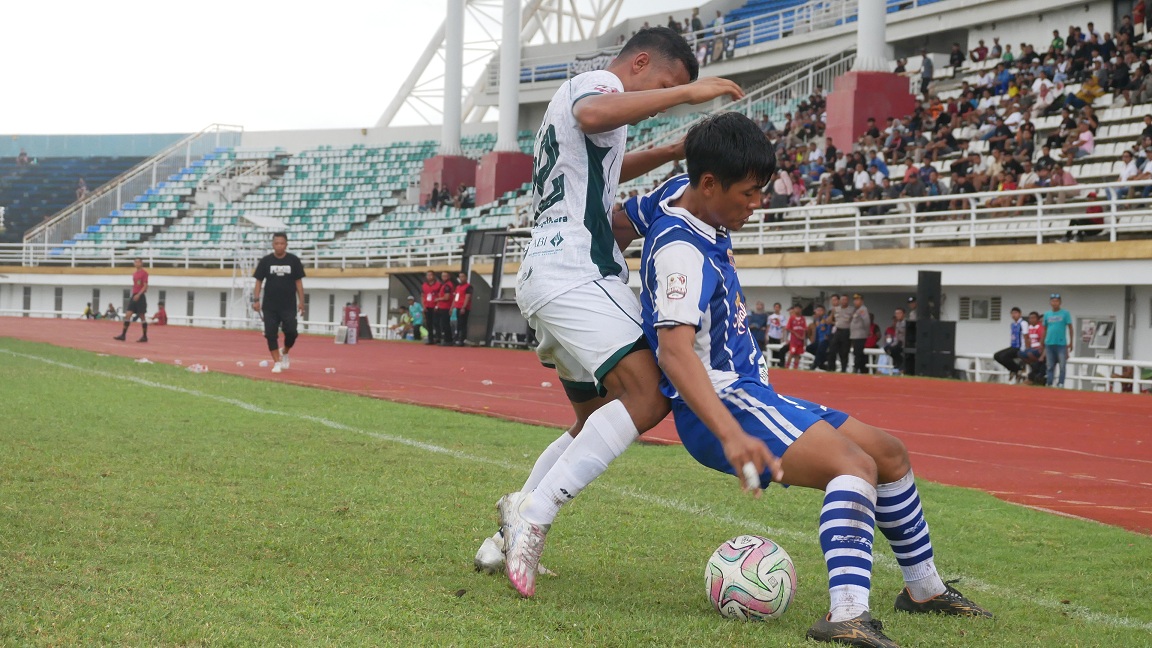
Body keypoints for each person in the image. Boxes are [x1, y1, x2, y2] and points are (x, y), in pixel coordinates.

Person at [635, 113, 990, 647]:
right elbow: (675, 351)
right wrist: (732, 435)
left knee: (890, 453)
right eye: (749, 192)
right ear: (709, 184)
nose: (757, 203)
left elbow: (620, 215)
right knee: (855, 466)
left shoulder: (679, 202)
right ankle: (847, 613)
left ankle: (923, 588)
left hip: (751, 393)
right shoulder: (681, 249)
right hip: (725, 401)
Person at [482, 27, 743, 598]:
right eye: (665, 82)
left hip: (551, 276)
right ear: (642, 62)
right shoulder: (597, 84)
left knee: (590, 421)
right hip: (577, 274)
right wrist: (686, 96)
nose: (663, 96)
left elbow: (603, 168)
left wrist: (673, 151)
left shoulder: (589, 114)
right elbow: (599, 111)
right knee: (648, 395)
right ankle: (535, 515)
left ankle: (506, 531)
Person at [252, 232, 305, 374]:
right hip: (270, 306)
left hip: (288, 305)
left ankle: (285, 351)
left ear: (286, 244)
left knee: (292, 332)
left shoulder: (294, 261)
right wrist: (256, 300)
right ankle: (277, 362)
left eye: (282, 243)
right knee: (270, 334)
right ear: (273, 245)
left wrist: (302, 302)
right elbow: (258, 281)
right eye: (277, 243)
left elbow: (298, 282)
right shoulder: (266, 261)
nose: (279, 246)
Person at [113, 258, 149, 343]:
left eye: (138, 262)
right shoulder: (134, 274)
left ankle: (144, 336)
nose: (136, 263)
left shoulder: (144, 273)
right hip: (134, 295)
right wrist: (135, 294)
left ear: (141, 263)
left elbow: (145, 286)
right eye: (135, 262)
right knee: (128, 314)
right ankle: (123, 335)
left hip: (140, 296)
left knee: (142, 316)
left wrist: (139, 294)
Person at [1043, 293, 1074, 388]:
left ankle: (1061, 383)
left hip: (1061, 344)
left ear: (1060, 302)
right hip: (1049, 343)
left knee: (1062, 365)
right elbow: (1045, 329)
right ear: (1050, 302)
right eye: (1052, 301)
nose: (1054, 303)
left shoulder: (1065, 314)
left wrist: (1071, 342)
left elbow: (1070, 328)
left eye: (1056, 301)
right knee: (1050, 365)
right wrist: (1042, 343)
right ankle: (1049, 382)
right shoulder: (1047, 314)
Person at [992, 307, 1028, 382]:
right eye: (1012, 313)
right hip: (1013, 346)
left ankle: (1018, 369)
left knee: (1004, 356)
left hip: (1019, 347)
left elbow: (1025, 336)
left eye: (1015, 313)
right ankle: (1014, 369)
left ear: (1020, 314)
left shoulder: (1023, 323)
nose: (1013, 315)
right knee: (996, 356)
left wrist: (1025, 349)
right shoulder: (1012, 324)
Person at [825, 294, 853, 372]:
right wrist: (833, 315)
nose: (844, 301)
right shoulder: (835, 309)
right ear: (840, 301)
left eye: (845, 299)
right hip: (838, 331)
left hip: (846, 331)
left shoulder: (851, 310)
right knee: (832, 349)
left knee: (844, 351)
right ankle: (831, 368)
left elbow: (854, 321)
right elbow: (828, 321)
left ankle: (843, 369)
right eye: (842, 299)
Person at [1021, 311, 1047, 385]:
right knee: (1033, 361)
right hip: (1040, 351)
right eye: (1041, 321)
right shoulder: (1035, 328)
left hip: (1047, 352)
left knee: (1039, 363)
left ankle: (1033, 379)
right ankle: (1032, 378)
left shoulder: (1045, 330)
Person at [849, 293, 871, 374]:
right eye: (854, 300)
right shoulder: (856, 310)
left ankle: (856, 367)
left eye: (857, 300)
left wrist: (867, 331)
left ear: (861, 301)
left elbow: (866, 321)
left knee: (858, 352)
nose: (855, 302)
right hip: (855, 335)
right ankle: (863, 369)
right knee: (857, 352)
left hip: (860, 334)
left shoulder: (862, 309)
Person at [451, 271, 473, 346]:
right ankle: (457, 338)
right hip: (457, 307)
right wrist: (452, 307)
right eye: (460, 277)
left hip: (463, 308)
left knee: (462, 323)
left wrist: (464, 307)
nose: (461, 278)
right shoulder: (458, 287)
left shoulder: (468, 287)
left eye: (462, 276)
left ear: (466, 277)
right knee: (459, 324)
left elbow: (467, 297)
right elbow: (455, 297)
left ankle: (462, 339)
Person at [883, 307, 907, 373]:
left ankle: (901, 364)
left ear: (904, 314)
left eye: (899, 313)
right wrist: (892, 344)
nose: (897, 315)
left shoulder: (906, 323)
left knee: (894, 349)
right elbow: (896, 336)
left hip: (904, 343)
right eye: (896, 313)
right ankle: (899, 363)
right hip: (898, 343)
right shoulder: (898, 323)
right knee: (887, 348)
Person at [421, 271, 441, 345]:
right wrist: (424, 306)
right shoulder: (424, 285)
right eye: (428, 275)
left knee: (436, 323)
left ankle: (438, 338)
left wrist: (437, 305)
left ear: (434, 276)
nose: (429, 277)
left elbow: (439, 295)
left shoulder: (438, 285)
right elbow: (422, 296)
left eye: (430, 275)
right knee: (429, 323)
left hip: (435, 306)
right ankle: (430, 339)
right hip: (427, 306)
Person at [784, 304, 807, 369]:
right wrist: (795, 334)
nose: (797, 310)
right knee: (791, 352)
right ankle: (787, 366)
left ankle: (795, 367)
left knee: (798, 354)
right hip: (794, 340)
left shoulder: (803, 319)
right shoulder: (792, 318)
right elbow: (788, 328)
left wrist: (803, 337)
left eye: (798, 308)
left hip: (800, 340)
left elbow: (805, 329)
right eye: (796, 308)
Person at [436, 271, 455, 346]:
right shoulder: (444, 285)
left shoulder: (447, 286)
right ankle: (447, 339)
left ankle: (448, 340)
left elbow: (447, 297)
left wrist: (438, 299)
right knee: (443, 324)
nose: (443, 277)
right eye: (442, 276)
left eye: (445, 276)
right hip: (442, 306)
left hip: (446, 307)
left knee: (445, 324)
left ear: (449, 277)